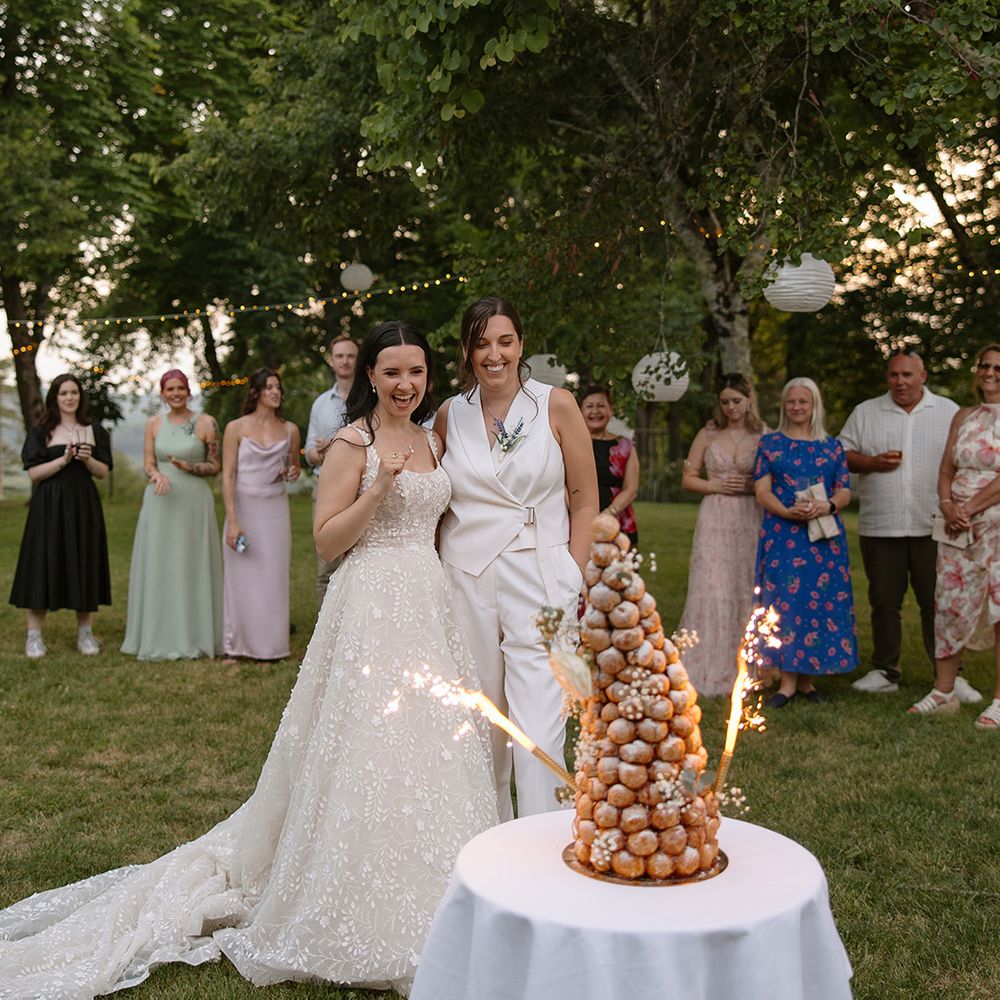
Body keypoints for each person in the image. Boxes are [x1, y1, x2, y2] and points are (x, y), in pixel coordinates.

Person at [0, 321, 498, 997]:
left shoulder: (435, 437)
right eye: (390, 373)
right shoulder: (357, 443)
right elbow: (327, 542)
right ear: (370, 379)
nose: (405, 384)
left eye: (415, 372)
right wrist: (378, 491)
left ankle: (441, 882)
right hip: (371, 599)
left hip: (427, 600)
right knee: (368, 742)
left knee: (432, 742)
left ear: (428, 376)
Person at [435, 296, 599, 821]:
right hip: (468, 576)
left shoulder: (556, 404)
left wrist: (573, 569)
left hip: (541, 572)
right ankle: (486, 844)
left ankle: (541, 842)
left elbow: (584, 497)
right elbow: (435, 496)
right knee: (480, 717)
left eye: (504, 341)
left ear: (521, 345)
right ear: (466, 350)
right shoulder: (449, 414)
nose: (493, 354)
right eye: (481, 343)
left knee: (541, 720)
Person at [839, 350, 981, 702]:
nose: (899, 382)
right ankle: (885, 670)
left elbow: (967, 460)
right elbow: (840, 455)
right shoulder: (866, 412)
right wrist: (870, 462)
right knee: (884, 601)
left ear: (923, 376)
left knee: (938, 603)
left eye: (907, 375)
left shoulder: (949, 411)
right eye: (893, 375)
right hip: (881, 524)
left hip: (934, 524)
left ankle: (950, 676)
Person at [909, 343, 1000, 731]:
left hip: (994, 523)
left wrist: (970, 506)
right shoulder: (963, 416)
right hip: (955, 525)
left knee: (999, 609)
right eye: (985, 365)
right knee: (948, 603)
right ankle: (943, 691)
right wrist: (948, 504)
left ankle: (999, 702)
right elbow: (946, 467)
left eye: (998, 367)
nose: (990, 372)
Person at [753, 377, 859, 706]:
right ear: (784, 406)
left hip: (823, 539)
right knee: (785, 603)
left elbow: (845, 490)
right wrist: (786, 511)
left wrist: (827, 505)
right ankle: (785, 683)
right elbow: (761, 490)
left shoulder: (832, 446)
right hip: (783, 535)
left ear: (814, 406)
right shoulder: (770, 443)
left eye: (804, 402)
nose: (797, 407)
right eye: (791, 402)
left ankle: (808, 681)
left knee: (820, 603)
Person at [121, 370, 223, 660]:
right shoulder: (153, 424)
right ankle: (157, 633)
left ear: (188, 390)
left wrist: (186, 467)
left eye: (180, 388)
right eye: (169, 389)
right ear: (163, 393)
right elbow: (148, 463)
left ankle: (194, 634)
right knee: (161, 563)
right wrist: (155, 475)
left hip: (193, 501)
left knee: (190, 562)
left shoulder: (206, 423)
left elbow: (215, 465)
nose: (175, 393)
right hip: (160, 500)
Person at [9, 373, 112, 658]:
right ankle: (34, 637)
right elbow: (34, 473)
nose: (69, 398)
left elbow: (103, 472)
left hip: (84, 504)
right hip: (49, 505)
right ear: (55, 397)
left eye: (74, 393)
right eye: (63, 393)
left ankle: (85, 634)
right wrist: (63, 460)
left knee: (84, 559)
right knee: (44, 560)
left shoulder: (95, 430)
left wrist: (86, 459)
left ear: (80, 397)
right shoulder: (41, 432)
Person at [678, 373, 764, 695]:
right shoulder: (708, 433)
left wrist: (754, 485)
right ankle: (708, 662)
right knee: (712, 585)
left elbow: (775, 477)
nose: (731, 408)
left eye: (736, 401)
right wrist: (714, 485)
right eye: (725, 401)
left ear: (749, 399)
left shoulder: (763, 434)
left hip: (750, 516)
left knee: (744, 583)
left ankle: (750, 665)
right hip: (714, 516)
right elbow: (689, 478)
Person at [221, 368, 300, 663]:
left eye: (278, 387)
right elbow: (227, 475)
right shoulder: (235, 428)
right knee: (241, 576)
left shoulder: (291, 429)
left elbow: (293, 467)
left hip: (275, 510)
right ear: (255, 392)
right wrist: (233, 521)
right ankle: (236, 645)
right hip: (243, 508)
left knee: (273, 576)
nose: (275, 392)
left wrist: (292, 471)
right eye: (269, 387)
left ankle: (271, 647)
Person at [305, 334, 357, 607]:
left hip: (360, 489)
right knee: (326, 565)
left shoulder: (369, 399)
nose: (345, 361)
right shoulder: (321, 403)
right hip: (325, 487)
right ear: (331, 360)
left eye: (350, 355)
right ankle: (325, 636)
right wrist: (323, 452)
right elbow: (308, 454)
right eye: (340, 356)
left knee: (357, 562)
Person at [579, 383, 640, 547]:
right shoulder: (571, 443)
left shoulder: (625, 445)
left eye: (601, 406)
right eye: (589, 406)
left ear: (610, 410)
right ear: (580, 411)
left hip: (617, 520)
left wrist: (608, 514)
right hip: (578, 521)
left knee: (618, 572)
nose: (595, 411)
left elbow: (631, 488)